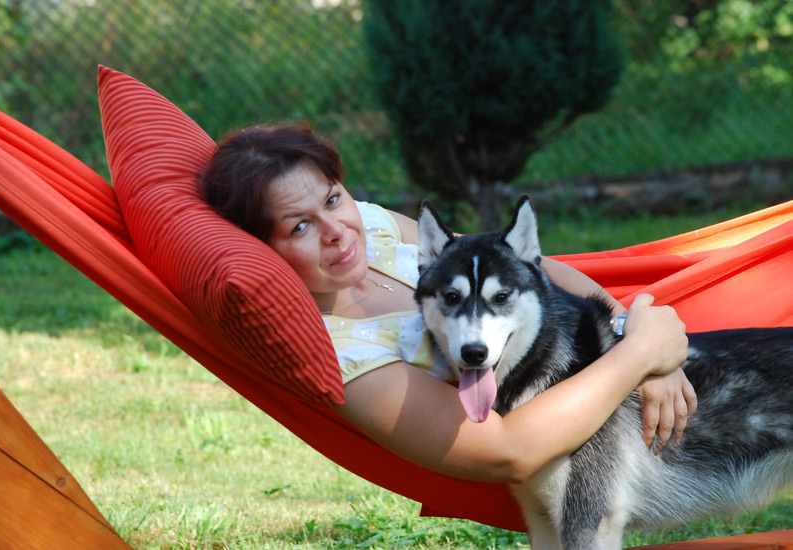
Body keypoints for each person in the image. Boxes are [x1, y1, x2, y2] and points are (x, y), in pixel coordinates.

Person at [198, 122, 694, 484]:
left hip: (601, 356)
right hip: (566, 434)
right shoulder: (337, 349)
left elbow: (518, 266)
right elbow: (509, 453)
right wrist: (641, 357)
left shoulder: (374, 228)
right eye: (300, 226)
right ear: (263, 251)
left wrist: (629, 329)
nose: (337, 231)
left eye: (332, 199)